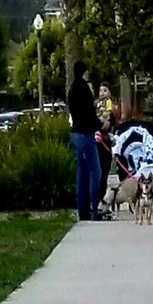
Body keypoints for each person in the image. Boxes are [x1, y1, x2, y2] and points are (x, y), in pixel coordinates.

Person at [67, 61, 101, 221]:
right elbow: (89, 113)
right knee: (95, 171)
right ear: (84, 72)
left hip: (75, 133)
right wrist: (101, 125)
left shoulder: (72, 89)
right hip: (86, 134)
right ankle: (94, 207)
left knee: (81, 172)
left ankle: (83, 210)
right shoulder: (84, 89)